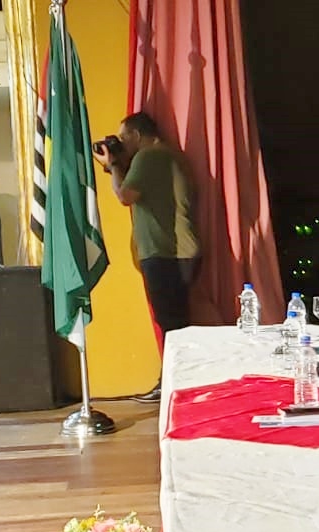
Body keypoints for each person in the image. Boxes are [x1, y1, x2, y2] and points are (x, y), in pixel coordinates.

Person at [95, 111, 198, 403]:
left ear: (136, 135)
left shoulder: (149, 156)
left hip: (165, 253)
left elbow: (125, 196)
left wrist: (114, 165)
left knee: (171, 324)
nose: (120, 143)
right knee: (176, 322)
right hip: (178, 252)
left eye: (123, 137)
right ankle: (177, 383)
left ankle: (173, 385)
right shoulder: (168, 155)